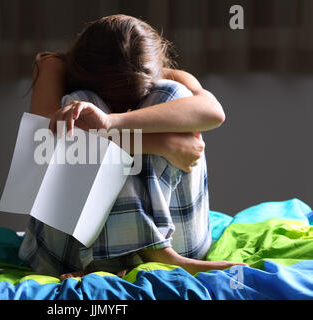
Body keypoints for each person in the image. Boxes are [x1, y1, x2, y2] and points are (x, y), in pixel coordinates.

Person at [18, 14, 246, 279]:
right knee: (81, 103)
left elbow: (214, 113)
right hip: (74, 252)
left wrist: (112, 123)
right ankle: (148, 255)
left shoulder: (167, 77)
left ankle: (152, 254)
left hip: (177, 242)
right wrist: (162, 143)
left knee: (171, 94)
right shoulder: (54, 66)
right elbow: (45, 142)